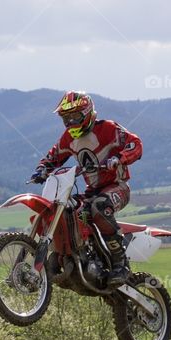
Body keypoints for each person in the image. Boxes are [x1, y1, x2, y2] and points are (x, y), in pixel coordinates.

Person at [31, 91, 143, 285]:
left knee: (99, 208)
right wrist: (42, 169)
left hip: (117, 187)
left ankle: (120, 262)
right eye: (66, 118)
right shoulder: (68, 138)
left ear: (88, 112)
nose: (71, 122)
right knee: (73, 212)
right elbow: (53, 156)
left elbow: (136, 143)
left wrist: (119, 158)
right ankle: (81, 256)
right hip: (92, 191)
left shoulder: (108, 129)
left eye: (75, 116)